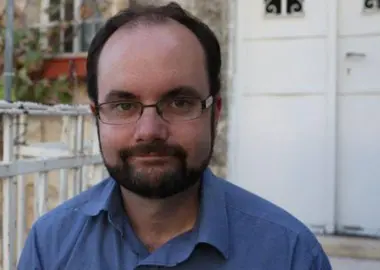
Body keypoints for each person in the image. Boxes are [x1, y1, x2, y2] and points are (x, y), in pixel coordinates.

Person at [18, 2, 332, 269]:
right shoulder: (52, 247)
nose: (150, 131)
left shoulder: (291, 255)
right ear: (96, 115)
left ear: (215, 111)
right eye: (124, 105)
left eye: (179, 103)